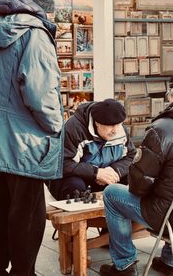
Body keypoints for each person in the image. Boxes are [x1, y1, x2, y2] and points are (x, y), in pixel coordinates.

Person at [0, 0, 64, 276]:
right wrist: (55, 125)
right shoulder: (35, 34)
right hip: (25, 141)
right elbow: (40, 92)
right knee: (27, 211)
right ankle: (23, 271)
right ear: (43, 9)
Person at [99, 102, 173, 276]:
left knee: (111, 194)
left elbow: (139, 184)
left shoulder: (162, 129)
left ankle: (124, 265)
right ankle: (169, 261)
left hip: (165, 214)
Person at [48, 98, 136, 201]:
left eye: (119, 124)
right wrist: (96, 173)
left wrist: (115, 170)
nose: (115, 130)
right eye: (111, 125)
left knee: (133, 178)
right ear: (97, 123)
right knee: (75, 185)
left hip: (106, 174)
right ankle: (78, 214)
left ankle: (124, 213)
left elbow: (132, 156)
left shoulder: (120, 131)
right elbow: (61, 163)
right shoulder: (74, 128)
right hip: (77, 178)